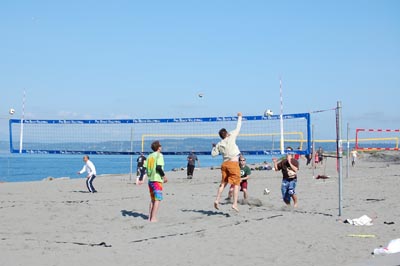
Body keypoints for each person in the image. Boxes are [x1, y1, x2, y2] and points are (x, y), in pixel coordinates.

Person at [211, 112, 242, 212]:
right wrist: (240, 117)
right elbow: (238, 127)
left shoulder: (220, 143)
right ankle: (235, 204)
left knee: (223, 183)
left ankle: (217, 200)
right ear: (227, 133)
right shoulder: (231, 136)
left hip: (224, 164)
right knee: (237, 184)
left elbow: (213, 154)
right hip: (233, 163)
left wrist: (215, 147)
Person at [144, 141, 168, 222]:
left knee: (152, 199)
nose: (161, 147)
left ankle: (149, 217)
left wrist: (141, 178)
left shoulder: (149, 156)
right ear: (158, 147)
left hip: (150, 180)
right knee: (157, 199)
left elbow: (145, 167)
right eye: (160, 146)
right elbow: (158, 167)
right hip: (157, 179)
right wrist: (164, 176)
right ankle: (153, 218)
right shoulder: (159, 155)